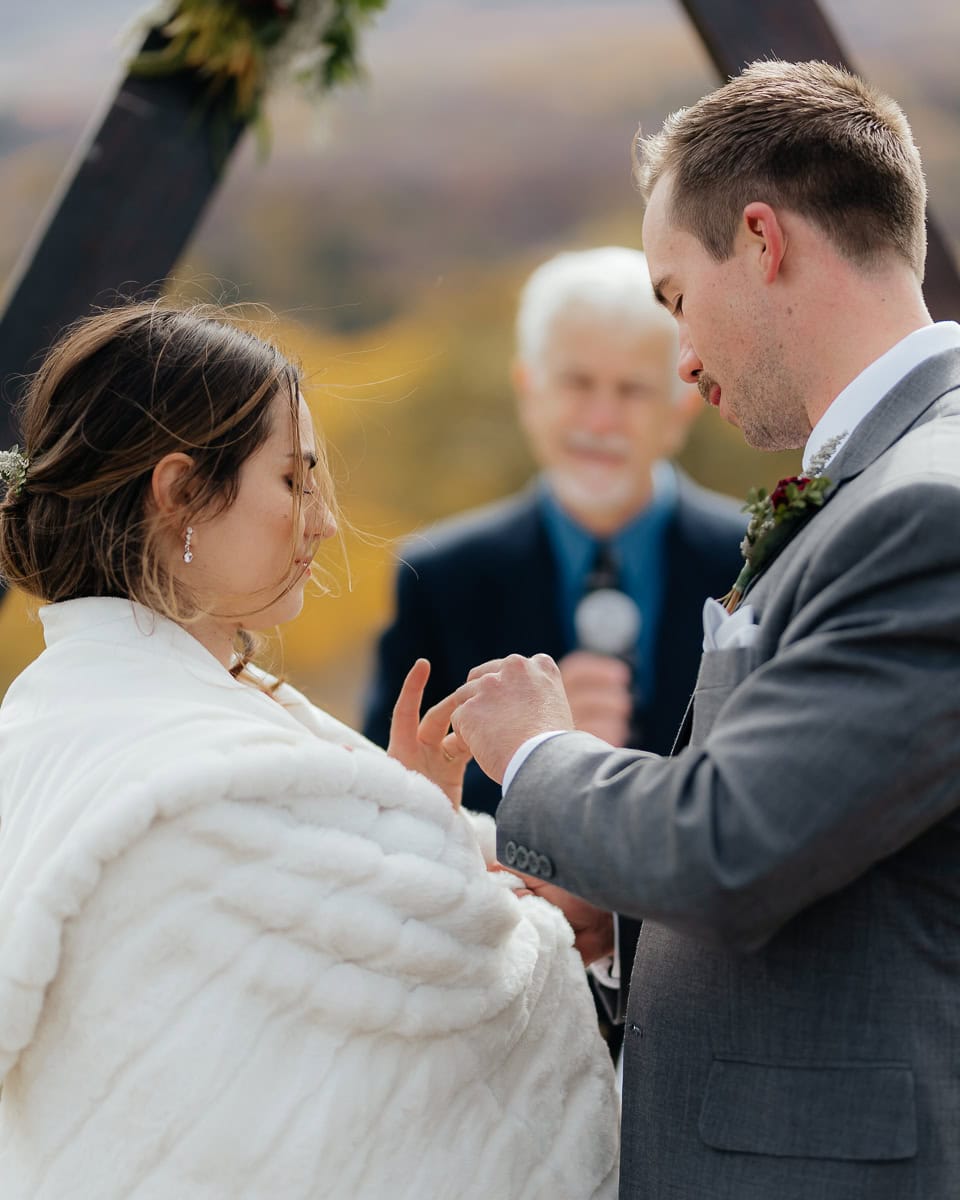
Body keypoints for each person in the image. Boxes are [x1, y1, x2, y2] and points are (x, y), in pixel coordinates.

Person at [444, 60, 960, 1198]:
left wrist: (540, 754)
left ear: (764, 241)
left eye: (675, 295)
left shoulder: (928, 506)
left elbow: (732, 842)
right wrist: (620, 923)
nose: (680, 357)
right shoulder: (892, 481)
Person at [0, 303, 618, 1199]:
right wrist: (546, 895)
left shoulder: (57, 712)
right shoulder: (200, 776)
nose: (324, 522)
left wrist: (419, 824)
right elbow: (452, 994)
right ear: (178, 493)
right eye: (293, 480)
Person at [364, 246, 745, 817]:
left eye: (633, 390)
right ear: (528, 391)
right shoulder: (440, 577)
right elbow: (386, 792)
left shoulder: (754, 559)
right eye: (576, 383)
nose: (601, 420)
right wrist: (536, 759)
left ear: (680, 411)